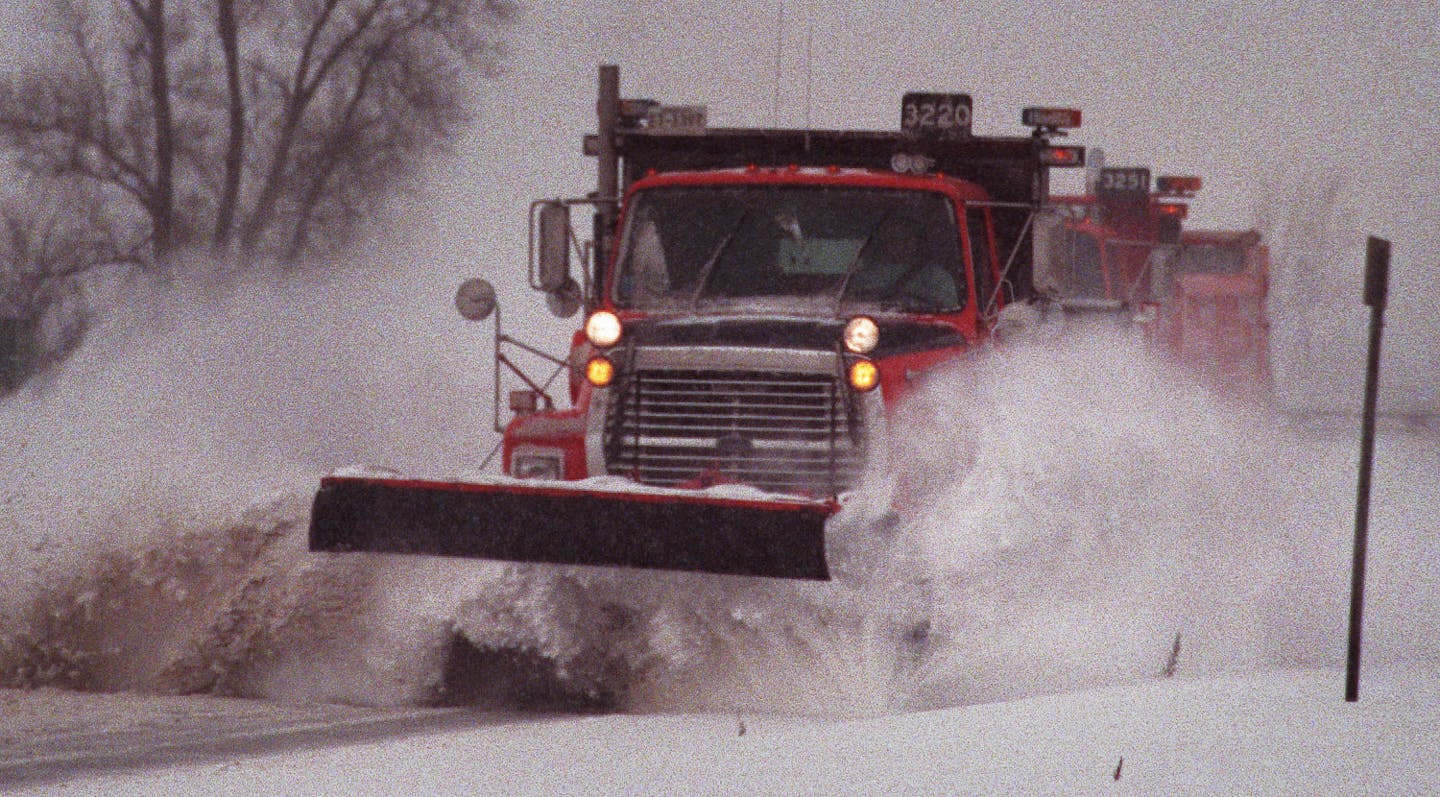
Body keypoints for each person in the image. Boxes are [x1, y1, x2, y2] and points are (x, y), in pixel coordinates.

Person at [845, 218, 961, 310]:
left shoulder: (936, 277)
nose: (901, 244)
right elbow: (850, 305)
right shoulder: (867, 275)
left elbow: (950, 310)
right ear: (885, 243)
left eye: (907, 238)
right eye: (895, 238)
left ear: (917, 242)